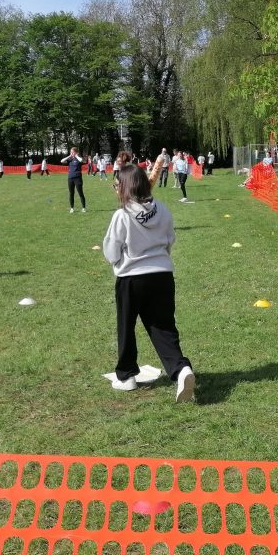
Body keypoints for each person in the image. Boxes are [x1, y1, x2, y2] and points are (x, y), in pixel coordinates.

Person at [103, 164, 195, 403]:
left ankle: (126, 376)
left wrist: (123, 260)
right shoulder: (162, 209)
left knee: (126, 326)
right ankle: (181, 369)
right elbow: (170, 239)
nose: (115, 189)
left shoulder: (122, 215)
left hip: (131, 278)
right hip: (162, 275)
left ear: (125, 187)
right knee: (163, 327)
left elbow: (111, 252)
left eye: (116, 185)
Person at [60, 147, 86, 213]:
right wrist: (69, 156)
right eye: (70, 152)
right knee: (71, 193)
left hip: (78, 178)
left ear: (76, 152)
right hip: (70, 178)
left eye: (72, 152)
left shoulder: (79, 158)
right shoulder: (70, 159)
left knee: (80, 193)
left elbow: (83, 161)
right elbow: (62, 161)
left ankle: (83, 208)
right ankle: (72, 208)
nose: (71, 153)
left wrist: (76, 156)